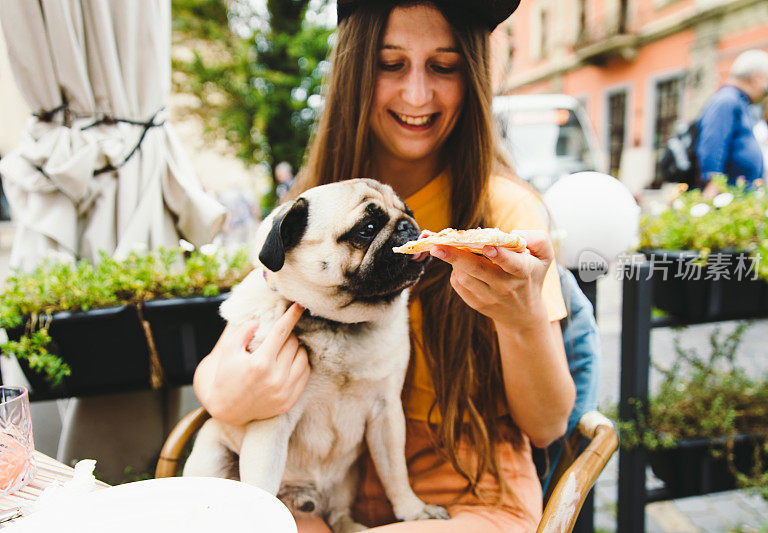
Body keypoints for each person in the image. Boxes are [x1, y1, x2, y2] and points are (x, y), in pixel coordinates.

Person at [193, 2, 576, 531]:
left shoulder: (504, 211)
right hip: (317, 482)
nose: (417, 94)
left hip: (462, 491)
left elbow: (550, 424)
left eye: (444, 67)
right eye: (390, 64)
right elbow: (233, 344)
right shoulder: (318, 203)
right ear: (354, 71)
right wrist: (220, 390)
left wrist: (523, 317)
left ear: (473, 76)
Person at [696, 49, 768, 191]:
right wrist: (713, 184)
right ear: (756, 78)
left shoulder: (740, 101)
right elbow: (713, 142)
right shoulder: (727, 100)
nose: (767, 86)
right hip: (727, 193)